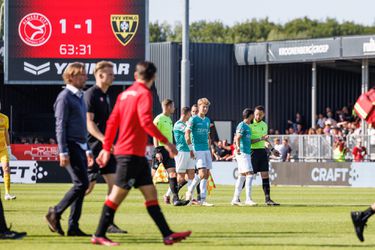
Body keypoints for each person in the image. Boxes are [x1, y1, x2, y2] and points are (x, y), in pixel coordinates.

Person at [91, 61, 191, 246]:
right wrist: (168, 143)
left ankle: (167, 234)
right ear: (153, 78)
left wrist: (106, 148)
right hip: (129, 155)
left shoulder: (123, 95)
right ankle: (98, 234)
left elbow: (112, 122)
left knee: (151, 193)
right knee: (116, 196)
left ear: (136, 76)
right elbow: (146, 122)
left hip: (133, 155)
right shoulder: (145, 94)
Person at [45, 62, 94, 237]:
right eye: (82, 75)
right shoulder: (64, 97)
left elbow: (81, 127)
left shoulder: (80, 97)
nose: (86, 77)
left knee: (82, 185)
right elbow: (60, 125)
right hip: (70, 146)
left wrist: (88, 149)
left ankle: (73, 226)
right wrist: (63, 151)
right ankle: (55, 213)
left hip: (80, 145)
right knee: (82, 184)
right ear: (71, 77)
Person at [83, 61, 127, 234]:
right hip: (93, 147)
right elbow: (89, 123)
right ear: (100, 75)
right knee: (87, 187)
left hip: (105, 148)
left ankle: (108, 223)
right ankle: (57, 212)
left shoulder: (105, 95)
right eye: (110, 73)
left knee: (115, 184)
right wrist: (104, 140)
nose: (113, 76)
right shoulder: (91, 94)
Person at [152, 99, 187, 206]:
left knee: (172, 174)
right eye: (172, 106)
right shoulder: (159, 118)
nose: (174, 108)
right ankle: (149, 198)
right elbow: (154, 134)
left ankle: (175, 199)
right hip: (160, 149)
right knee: (152, 176)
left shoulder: (169, 119)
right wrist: (157, 151)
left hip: (168, 150)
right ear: (167, 107)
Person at [185, 98, 214, 207]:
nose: (205, 109)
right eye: (203, 107)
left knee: (206, 174)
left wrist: (210, 149)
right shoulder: (193, 120)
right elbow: (186, 134)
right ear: (199, 107)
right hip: (197, 149)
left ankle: (202, 199)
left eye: (207, 107)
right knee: (201, 173)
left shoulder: (207, 120)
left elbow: (208, 136)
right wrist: (190, 149)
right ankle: (190, 191)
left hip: (206, 150)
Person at [250, 105, 280, 206]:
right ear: (254, 113)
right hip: (252, 152)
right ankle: (237, 197)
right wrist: (260, 139)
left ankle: (268, 199)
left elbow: (265, 141)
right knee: (248, 176)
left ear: (263, 115)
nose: (258, 116)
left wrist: (272, 149)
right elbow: (249, 141)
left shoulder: (264, 125)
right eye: (256, 114)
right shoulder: (249, 124)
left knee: (265, 175)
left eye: (260, 115)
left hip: (262, 152)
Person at [231, 108, 256, 206]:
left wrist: (261, 139)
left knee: (242, 176)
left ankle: (235, 199)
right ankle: (248, 199)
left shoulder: (248, 127)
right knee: (249, 174)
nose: (253, 116)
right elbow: (237, 137)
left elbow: (250, 141)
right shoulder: (242, 125)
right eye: (253, 115)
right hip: (242, 153)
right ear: (250, 115)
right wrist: (237, 147)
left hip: (246, 152)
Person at [173, 107, 196, 202]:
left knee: (191, 174)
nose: (190, 116)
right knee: (181, 177)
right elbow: (187, 131)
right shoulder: (178, 124)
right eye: (189, 114)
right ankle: (173, 195)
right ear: (185, 114)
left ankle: (189, 197)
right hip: (181, 152)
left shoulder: (186, 124)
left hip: (190, 151)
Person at [0, 107, 16, 200]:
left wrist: (9, 148)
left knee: (6, 168)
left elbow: (6, 133)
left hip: (3, 149)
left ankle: (7, 194)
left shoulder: (5, 118)